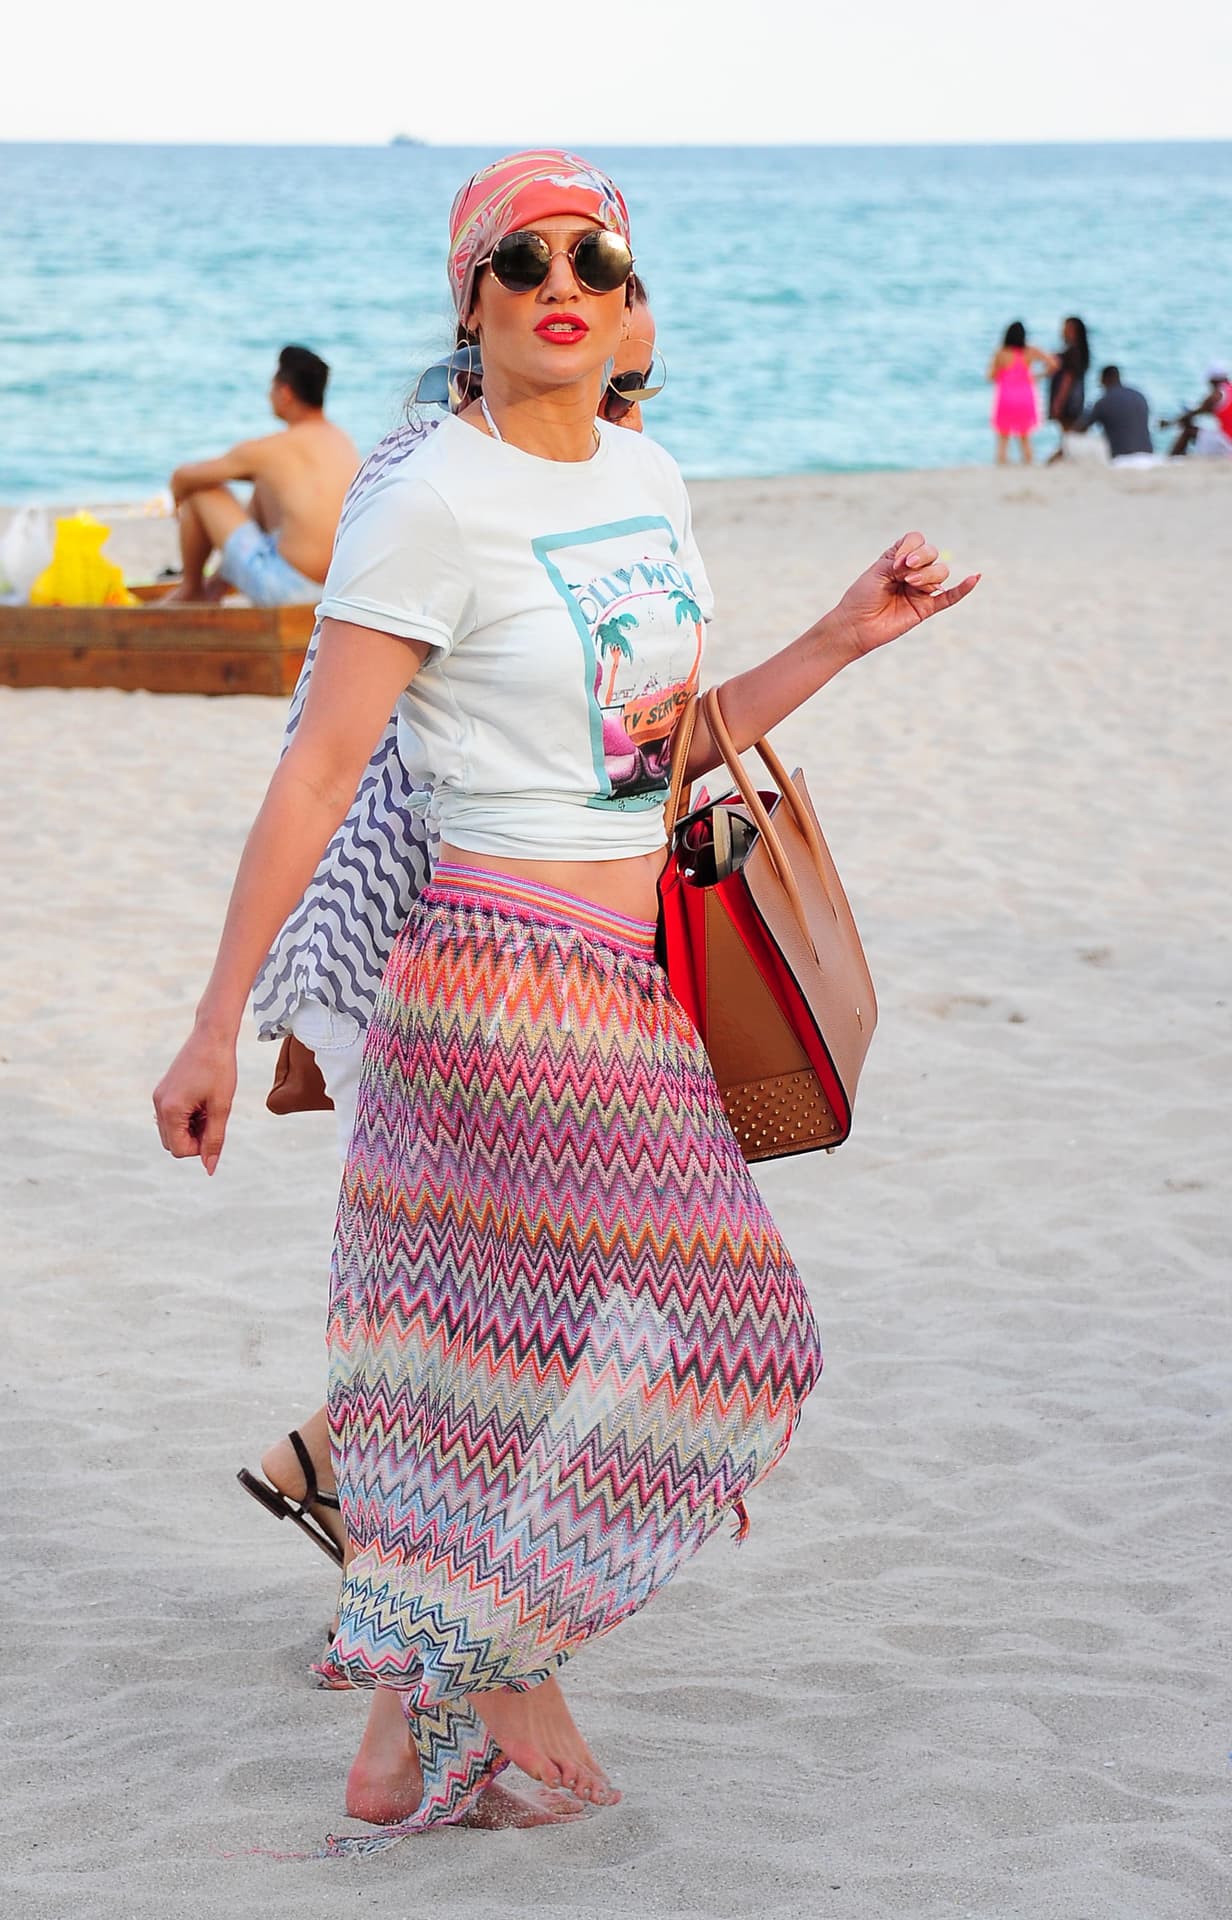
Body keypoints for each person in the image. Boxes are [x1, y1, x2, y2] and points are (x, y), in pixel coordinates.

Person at [154, 148, 979, 1848]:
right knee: (749, 1345)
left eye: (593, 254)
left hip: (626, 964)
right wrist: (215, 1014)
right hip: (501, 975)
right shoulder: (429, 499)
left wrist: (842, 637)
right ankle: (506, 1647)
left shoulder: (648, 478)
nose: (562, 278)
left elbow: (654, 749)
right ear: (469, 301)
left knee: (503, 1363)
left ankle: (403, 1742)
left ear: (628, 300)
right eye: (519, 255)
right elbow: (319, 771)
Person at [241, 289, 663, 1603]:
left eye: (640, 390)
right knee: (507, 1273)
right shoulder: (435, 486)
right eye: (622, 387)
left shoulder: (609, 480)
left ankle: (343, 1488)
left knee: (494, 1268)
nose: (621, 411)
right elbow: (335, 753)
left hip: (540, 944)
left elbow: (622, 731)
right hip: (434, 933)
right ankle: (393, 1561)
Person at [166, 344, 359, 606]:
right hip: (339, 586)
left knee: (202, 491)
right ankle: (216, 588)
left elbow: (182, 478)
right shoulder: (341, 441)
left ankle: (192, 590)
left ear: (285, 393)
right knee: (264, 486)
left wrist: (180, 507)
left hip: (290, 590)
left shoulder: (272, 449)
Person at [988, 321, 1057, 465]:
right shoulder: (1030, 351)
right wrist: (1038, 375)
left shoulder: (1001, 353)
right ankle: (1028, 466)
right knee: (1025, 437)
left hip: (1006, 397)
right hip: (1025, 397)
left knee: (1003, 438)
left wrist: (1003, 374)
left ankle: (1002, 466)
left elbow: (990, 376)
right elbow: (1053, 363)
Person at [1070, 365, 1154, 466]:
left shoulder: (1103, 402)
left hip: (1122, 459)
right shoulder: (1139, 396)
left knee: (1074, 440)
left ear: (1104, 380)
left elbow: (1079, 428)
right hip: (1148, 456)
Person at [1161, 361, 1232, 458]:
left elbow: (1194, 413)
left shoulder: (1216, 396)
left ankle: (1170, 459)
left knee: (1189, 431)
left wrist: (1169, 423)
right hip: (1228, 439)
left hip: (1228, 442)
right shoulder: (1229, 390)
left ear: (1212, 380)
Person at [1045, 316, 1091, 463]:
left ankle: (1060, 459)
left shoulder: (1073, 352)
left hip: (1069, 399)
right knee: (1070, 433)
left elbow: (1068, 379)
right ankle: (1064, 458)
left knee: (1068, 433)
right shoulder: (1080, 351)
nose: (1063, 331)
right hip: (1076, 396)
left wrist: (1058, 402)